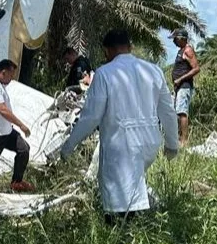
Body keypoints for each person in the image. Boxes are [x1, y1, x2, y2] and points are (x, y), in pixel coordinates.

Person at [58, 29, 179, 221]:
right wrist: (172, 143)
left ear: (108, 51)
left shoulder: (104, 73)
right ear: (130, 47)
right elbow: (167, 111)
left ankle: (124, 236)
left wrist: (69, 146)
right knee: (132, 187)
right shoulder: (153, 70)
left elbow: (91, 117)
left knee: (119, 204)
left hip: (122, 144)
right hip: (150, 143)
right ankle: (141, 224)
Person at [0, 59, 35, 197]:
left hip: (6, 132)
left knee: (24, 149)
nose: (11, 78)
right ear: (3, 72)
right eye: (11, 75)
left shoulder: (0, 87)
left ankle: (16, 182)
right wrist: (21, 125)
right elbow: (2, 110)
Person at [170, 28, 200, 147]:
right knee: (176, 112)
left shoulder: (188, 50)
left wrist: (181, 79)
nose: (174, 42)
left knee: (182, 112)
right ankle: (178, 137)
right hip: (178, 87)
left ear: (181, 38)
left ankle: (184, 141)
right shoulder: (181, 51)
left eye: (176, 39)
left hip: (184, 86)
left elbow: (196, 68)